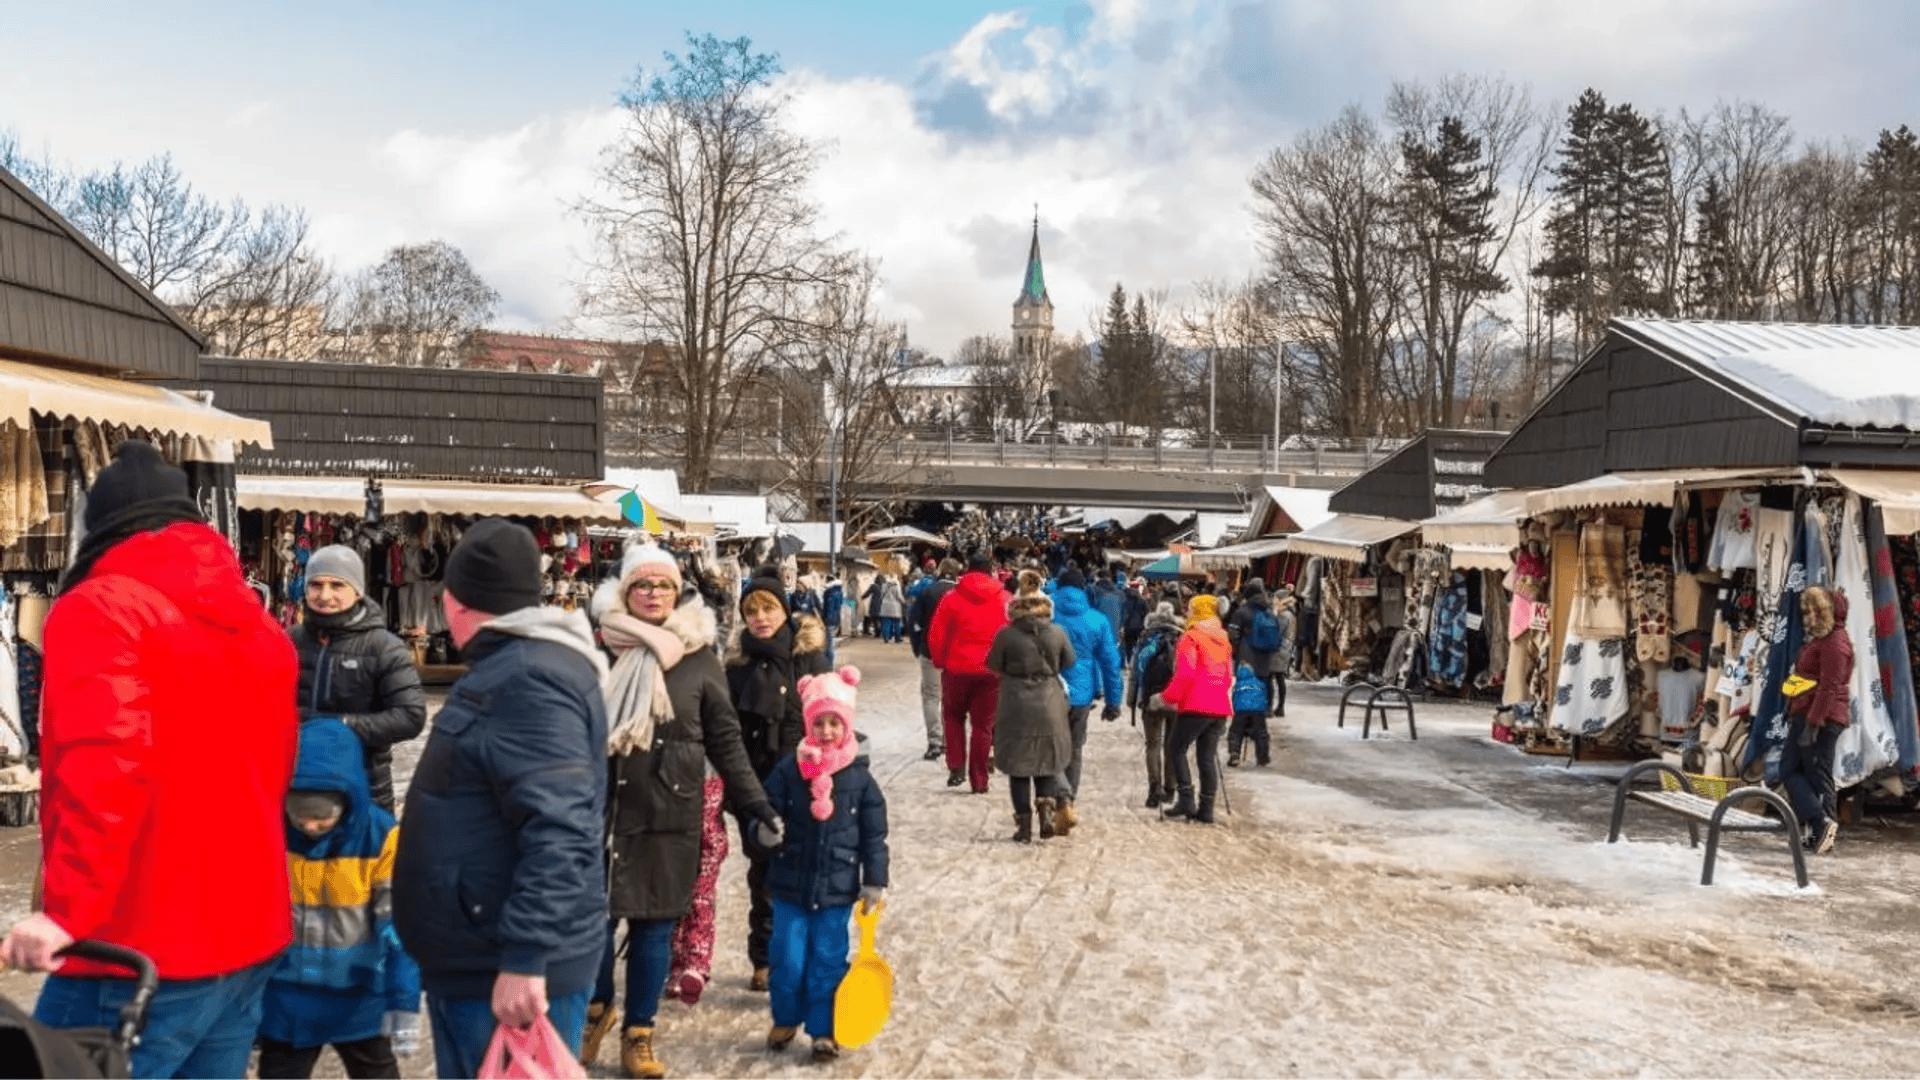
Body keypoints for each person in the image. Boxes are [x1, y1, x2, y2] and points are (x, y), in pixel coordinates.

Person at [2, 440, 300, 1080]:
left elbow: (102, 774)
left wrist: (64, 917)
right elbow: (272, 776)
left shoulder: (100, 610)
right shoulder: (262, 629)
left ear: (98, 530)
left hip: (135, 947)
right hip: (247, 935)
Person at [392, 518, 609, 1079]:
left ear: (457, 603)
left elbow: (561, 827)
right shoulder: (521, 667)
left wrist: (525, 955)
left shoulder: (528, 678)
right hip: (484, 953)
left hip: (503, 967)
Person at [585, 544, 784, 1080]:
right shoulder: (598, 650)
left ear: (678, 593)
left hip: (669, 811)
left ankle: (639, 1032)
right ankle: (596, 1009)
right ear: (625, 593)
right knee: (593, 924)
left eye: (663, 586)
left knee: (653, 927)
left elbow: (726, 742)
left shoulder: (698, 660)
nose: (653, 595)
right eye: (642, 586)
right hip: (601, 808)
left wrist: (757, 806)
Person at [258, 719, 421, 1079]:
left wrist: (403, 1000)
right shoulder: (270, 834)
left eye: (322, 816)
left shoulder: (380, 838)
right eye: (300, 814)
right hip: (288, 1000)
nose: (310, 826)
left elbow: (399, 928)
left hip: (360, 998)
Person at [756, 666, 889, 1064]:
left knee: (827, 963)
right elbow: (764, 809)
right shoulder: (788, 770)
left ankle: (823, 1030)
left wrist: (874, 882)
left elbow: (873, 837)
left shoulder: (861, 780)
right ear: (808, 724)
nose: (827, 731)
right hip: (790, 886)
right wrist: (762, 829)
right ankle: (785, 1018)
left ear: (846, 726)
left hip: (837, 889)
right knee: (787, 958)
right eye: (820, 723)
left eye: (835, 723)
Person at [725, 567, 829, 997]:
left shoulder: (809, 657)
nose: (761, 618)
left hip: (803, 781)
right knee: (763, 873)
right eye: (752, 611)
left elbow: (831, 719)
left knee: (803, 873)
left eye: (768, 608)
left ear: (784, 610)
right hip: (755, 782)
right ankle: (765, 958)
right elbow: (726, 728)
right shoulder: (736, 663)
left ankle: (801, 957)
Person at [289, 544, 428, 812]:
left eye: (337, 585)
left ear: (357, 591)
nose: (325, 595)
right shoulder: (291, 641)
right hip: (302, 786)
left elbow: (411, 716)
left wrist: (342, 726)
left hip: (364, 789)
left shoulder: (383, 647)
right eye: (316, 585)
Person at [987, 572, 1077, 842]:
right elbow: (1069, 661)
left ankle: (1024, 827)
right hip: (1050, 701)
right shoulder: (1057, 632)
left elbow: (993, 664)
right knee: (1046, 761)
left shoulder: (1006, 635)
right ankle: (1047, 812)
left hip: (1015, 703)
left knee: (1018, 767)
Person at [928, 553, 1012, 794]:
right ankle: (979, 780)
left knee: (953, 716)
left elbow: (936, 635)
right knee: (983, 726)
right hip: (992, 672)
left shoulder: (951, 598)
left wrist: (940, 661)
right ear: (991, 571)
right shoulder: (1005, 599)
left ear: (967, 571)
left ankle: (956, 765)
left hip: (957, 668)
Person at [1050, 567, 1124, 835]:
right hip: (1081, 696)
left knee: (1050, 749)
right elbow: (1110, 663)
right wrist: (1113, 701)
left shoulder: (1048, 616)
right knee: (1075, 751)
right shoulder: (1097, 620)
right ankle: (1069, 801)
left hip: (1051, 691)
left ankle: (1060, 798)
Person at [1782, 585, 1853, 855]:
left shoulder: (1835, 643)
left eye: (1817, 608)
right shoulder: (1824, 640)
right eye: (1808, 609)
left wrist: (1813, 722)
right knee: (1808, 773)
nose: (1810, 613)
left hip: (1821, 718)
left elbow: (1829, 687)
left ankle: (1822, 823)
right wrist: (1790, 691)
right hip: (1811, 713)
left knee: (1804, 771)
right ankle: (1822, 831)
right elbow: (1812, 679)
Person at [1152, 593, 1234, 824]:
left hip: (1196, 705)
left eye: (1190, 609)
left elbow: (1185, 674)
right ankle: (1206, 808)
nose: (1186, 613)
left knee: (1176, 749)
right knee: (1206, 757)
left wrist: (1165, 698)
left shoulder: (1191, 638)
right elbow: (1228, 676)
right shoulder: (1223, 639)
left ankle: (1186, 799)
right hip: (1219, 707)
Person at [1128, 601, 1185, 809]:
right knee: (1172, 745)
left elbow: (1136, 672)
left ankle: (1154, 788)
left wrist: (1132, 700)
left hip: (1150, 696)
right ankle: (1170, 789)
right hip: (1175, 698)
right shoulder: (1181, 637)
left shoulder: (1146, 638)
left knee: (1153, 745)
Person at [907, 558, 962, 762]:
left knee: (931, 696)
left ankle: (935, 741)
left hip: (930, 651)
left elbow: (914, 621)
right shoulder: (960, 593)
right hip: (957, 653)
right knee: (952, 697)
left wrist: (917, 647)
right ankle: (950, 739)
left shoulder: (928, 592)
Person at [1227, 578, 1282, 730]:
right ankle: (1263, 711)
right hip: (1265, 656)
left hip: (1247, 654)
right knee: (1264, 682)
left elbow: (1233, 632)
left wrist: (1239, 645)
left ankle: (1245, 718)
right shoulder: (1269, 612)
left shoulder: (1243, 611)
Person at [1226, 663, 1272, 768]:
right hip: (1258, 712)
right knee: (1261, 734)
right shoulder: (1260, 684)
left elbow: (1234, 699)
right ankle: (1262, 757)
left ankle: (1234, 753)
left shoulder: (1238, 685)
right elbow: (1265, 697)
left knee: (1235, 733)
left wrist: (1235, 710)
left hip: (1241, 712)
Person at [1120, 580, 1149, 665]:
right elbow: (1146, 612)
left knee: (1127, 645)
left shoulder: (1125, 598)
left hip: (1127, 625)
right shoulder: (1142, 599)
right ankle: (1134, 663)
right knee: (1137, 645)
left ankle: (1127, 661)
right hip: (1139, 626)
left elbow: (1122, 611)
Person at [875, 573, 907, 644]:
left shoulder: (884, 585)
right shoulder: (897, 585)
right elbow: (899, 596)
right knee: (897, 623)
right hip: (895, 607)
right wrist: (904, 602)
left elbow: (882, 595)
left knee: (886, 623)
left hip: (885, 606)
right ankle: (897, 638)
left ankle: (886, 638)